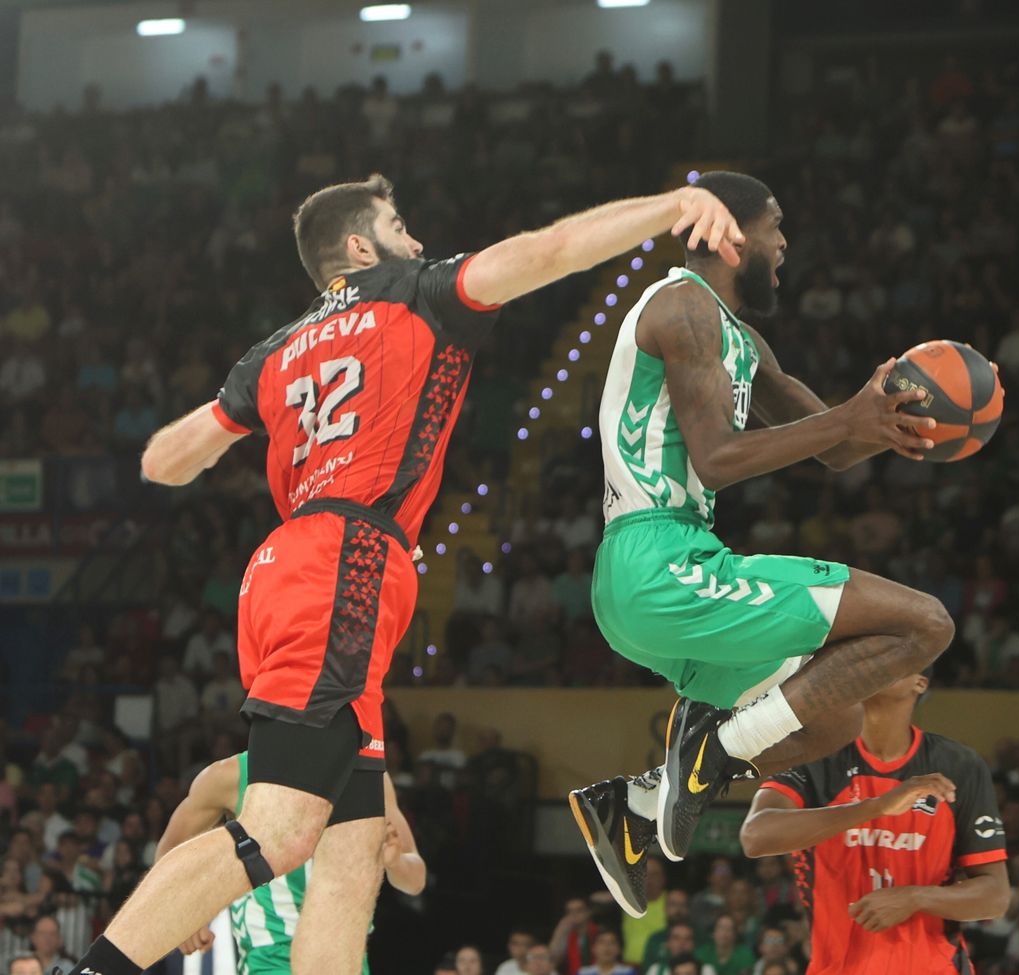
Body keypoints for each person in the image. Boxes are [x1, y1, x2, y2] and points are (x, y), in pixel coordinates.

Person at [69, 174, 746, 975]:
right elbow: (552, 250)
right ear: (360, 246)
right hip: (346, 561)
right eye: (398, 224)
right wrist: (669, 207)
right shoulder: (420, 291)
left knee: (352, 854)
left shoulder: (274, 351)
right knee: (280, 832)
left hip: (286, 565)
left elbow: (163, 460)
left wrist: (244, 415)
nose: (416, 239)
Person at [572, 171, 997, 915]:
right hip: (658, 562)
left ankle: (637, 804)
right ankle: (706, 754)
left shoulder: (739, 337)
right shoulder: (683, 308)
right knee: (926, 623)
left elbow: (831, 442)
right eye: (775, 227)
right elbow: (718, 459)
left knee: (831, 715)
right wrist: (844, 421)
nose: (784, 242)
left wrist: (887, 421)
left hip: (672, 572)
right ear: (732, 236)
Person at [740, 670, 1010, 973]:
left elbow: (996, 896)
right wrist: (877, 807)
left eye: (892, 659)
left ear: (920, 682)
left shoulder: (960, 766)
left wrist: (915, 897)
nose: (875, 664)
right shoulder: (816, 757)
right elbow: (755, 836)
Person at [154, 750, 426, 973]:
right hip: (271, 957)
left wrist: (395, 862)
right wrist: (181, 915)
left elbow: (415, 880)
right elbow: (169, 850)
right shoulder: (230, 775)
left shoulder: (366, 773)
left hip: (346, 955)